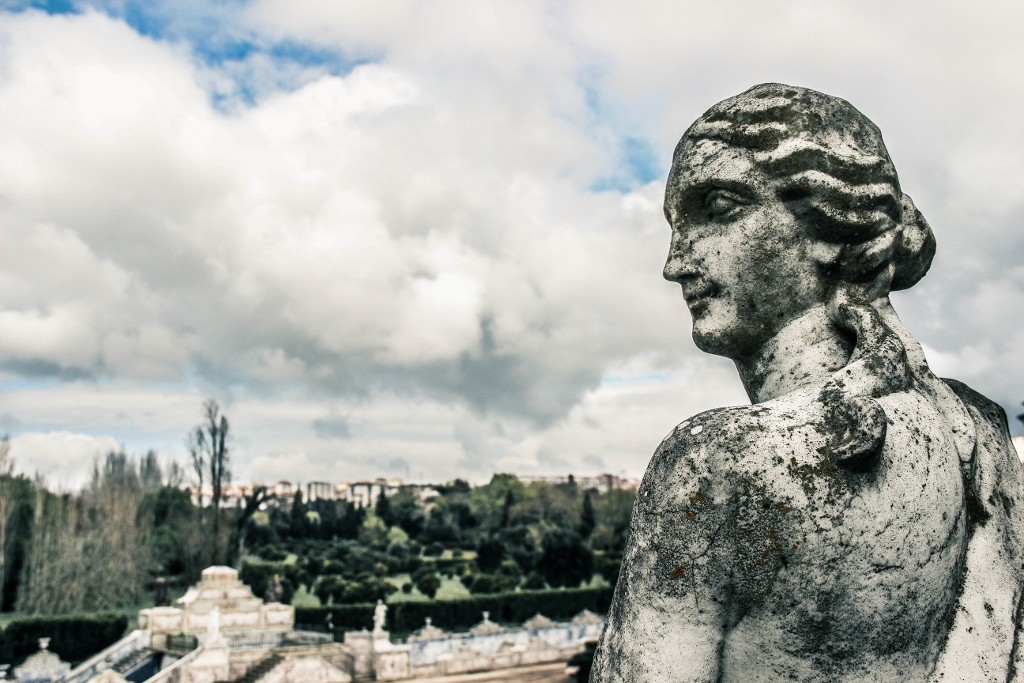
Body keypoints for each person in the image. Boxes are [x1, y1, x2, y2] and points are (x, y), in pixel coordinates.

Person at [591, 84, 1024, 682]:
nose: (674, 261)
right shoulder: (980, 430)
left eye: (717, 207)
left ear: (831, 221)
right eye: (675, 223)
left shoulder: (717, 461)